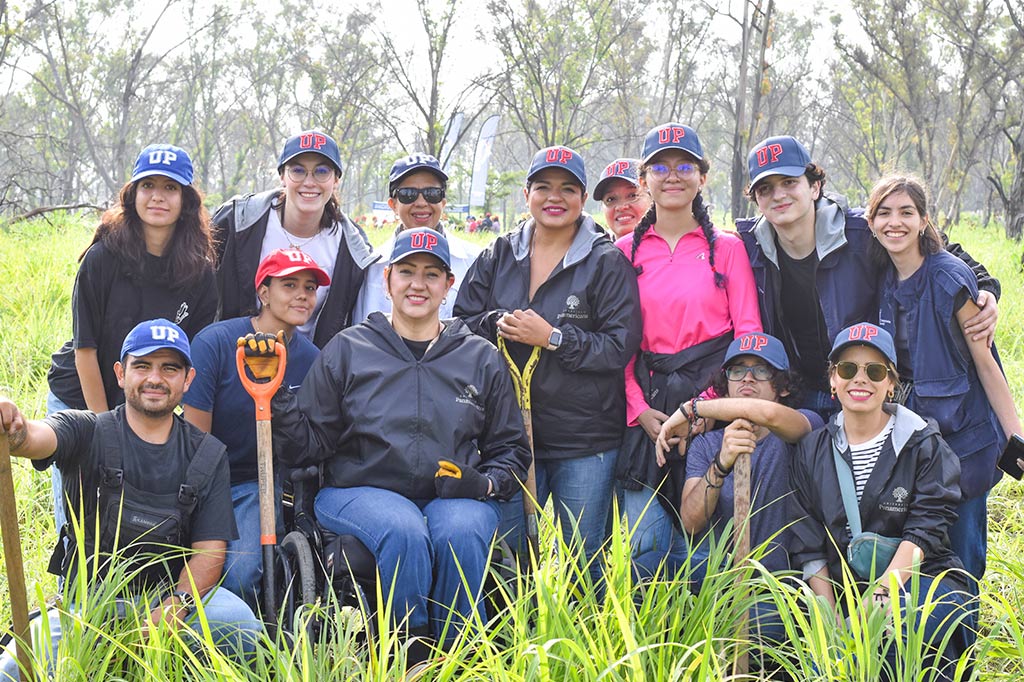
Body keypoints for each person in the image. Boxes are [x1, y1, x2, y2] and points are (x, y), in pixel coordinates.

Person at [270, 229, 530, 658]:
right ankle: (408, 654)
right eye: (406, 271)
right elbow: (308, 446)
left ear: (449, 286)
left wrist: (483, 485)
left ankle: (462, 654)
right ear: (387, 279)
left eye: (432, 275)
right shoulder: (349, 349)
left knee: (463, 530)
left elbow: (511, 451)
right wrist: (278, 396)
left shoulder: (480, 357)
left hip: (450, 495)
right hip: (357, 492)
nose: (417, 284)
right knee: (403, 528)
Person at [0, 320, 262, 681]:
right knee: (12, 669)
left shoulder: (209, 454)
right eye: (143, 366)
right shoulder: (86, 428)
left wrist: (176, 605)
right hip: (87, 608)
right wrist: (15, 428)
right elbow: (35, 438)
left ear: (187, 380)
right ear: (121, 374)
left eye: (169, 368)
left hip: (168, 600)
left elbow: (210, 550)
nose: (155, 378)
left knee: (241, 626)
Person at [455, 145, 642, 585]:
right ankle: (514, 647)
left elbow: (618, 347)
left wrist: (554, 339)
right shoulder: (499, 253)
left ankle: (579, 648)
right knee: (509, 562)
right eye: (543, 187)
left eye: (568, 189)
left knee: (583, 564)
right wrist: (494, 323)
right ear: (527, 194)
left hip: (585, 441)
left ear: (582, 199)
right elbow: (460, 325)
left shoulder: (605, 260)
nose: (554, 198)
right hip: (508, 439)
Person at [737, 135, 1000, 420]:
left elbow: (936, 246)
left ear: (814, 187)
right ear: (757, 200)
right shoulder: (750, 249)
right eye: (766, 188)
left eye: (789, 182)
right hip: (800, 392)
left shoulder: (860, 231)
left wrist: (985, 287)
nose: (778, 195)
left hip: (864, 387)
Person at [45, 143, 218, 560]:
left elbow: (188, 362)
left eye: (170, 188)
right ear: (132, 194)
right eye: (148, 186)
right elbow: (86, 349)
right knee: (78, 509)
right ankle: (76, 591)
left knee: (127, 508)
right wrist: (105, 428)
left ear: (186, 200)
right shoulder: (103, 258)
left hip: (146, 399)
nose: (158, 196)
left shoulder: (200, 271)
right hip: (83, 395)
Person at [790, 323, 975, 681]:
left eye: (875, 371)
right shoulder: (811, 451)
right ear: (832, 380)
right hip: (846, 592)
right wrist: (830, 623)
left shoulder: (923, 444)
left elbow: (925, 531)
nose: (860, 379)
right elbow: (807, 543)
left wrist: (875, 605)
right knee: (820, 661)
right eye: (848, 369)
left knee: (893, 634)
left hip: (922, 582)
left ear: (892, 384)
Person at [615, 123, 761, 570]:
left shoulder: (729, 251)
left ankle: (710, 631)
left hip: (713, 402)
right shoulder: (622, 252)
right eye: (660, 166)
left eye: (685, 165)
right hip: (647, 407)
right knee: (648, 550)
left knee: (709, 543)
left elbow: (748, 337)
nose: (672, 175)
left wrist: (705, 410)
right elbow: (618, 343)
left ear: (702, 176)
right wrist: (639, 410)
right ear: (645, 180)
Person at [867, 174, 1023, 583]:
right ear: (871, 222)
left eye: (906, 212)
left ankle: (964, 637)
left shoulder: (949, 277)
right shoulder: (885, 276)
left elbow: (987, 363)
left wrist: (1015, 437)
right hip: (914, 442)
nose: (894, 223)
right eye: (884, 213)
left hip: (964, 441)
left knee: (962, 555)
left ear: (924, 221)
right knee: (919, 549)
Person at [182, 249, 328, 606]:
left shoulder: (312, 360)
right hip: (208, 477)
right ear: (263, 292)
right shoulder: (216, 343)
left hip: (261, 481)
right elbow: (195, 437)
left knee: (243, 573)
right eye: (289, 285)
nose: (301, 295)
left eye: (309, 288)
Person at [654, 333, 821, 581]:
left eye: (762, 370)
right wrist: (721, 464)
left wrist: (693, 408)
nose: (747, 378)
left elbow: (769, 415)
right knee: (646, 567)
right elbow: (690, 524)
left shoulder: (800, 428)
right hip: (718, 578)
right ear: (726, 383)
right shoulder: (706, 444)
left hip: (774, 584)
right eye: (737, 370)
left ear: (784, 386)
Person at [212, 130, 377, 348]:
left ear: (336, 180)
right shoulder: (237, 221)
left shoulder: (353, 250)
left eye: (322, 171)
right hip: (232, 356)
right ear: (282, 176)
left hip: (307, 369)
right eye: (298, 171)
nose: (309, 182)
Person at [351, 154, 480, 322]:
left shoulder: (474, 262)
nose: (421, 203)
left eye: (431, 193)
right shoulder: (373, 266)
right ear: (393, 205)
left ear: (443, 202)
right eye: (408, 194)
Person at [592, 158, 651, 238]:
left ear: (652, 199)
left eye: (632, 195)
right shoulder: (592, 249)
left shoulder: (671, 247)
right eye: (611, 199)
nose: (621, 207)